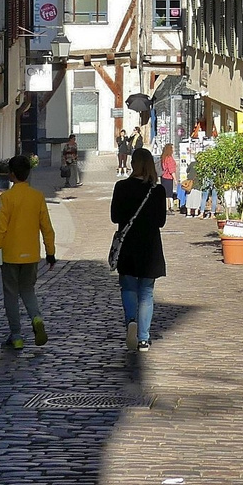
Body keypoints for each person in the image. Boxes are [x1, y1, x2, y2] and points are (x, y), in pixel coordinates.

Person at [0, 154, 56, 350]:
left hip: (10, 255)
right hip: (31, 254)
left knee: (10, 294)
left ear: (11, 175)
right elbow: (46, 227)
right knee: (28, 290)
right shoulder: (37, 197)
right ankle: (36, 318)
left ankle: (16, 335)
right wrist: (50, 252)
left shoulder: (6, 198)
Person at [111, 148, 167, 351]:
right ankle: (143, 338)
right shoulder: (157, 190)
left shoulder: (121, 187)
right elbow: (161, 221)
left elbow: (115, 217)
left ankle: (131, 321)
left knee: (127, 288)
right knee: (146, 292)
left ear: (132, 164)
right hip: (149, 247)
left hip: (128, 246)